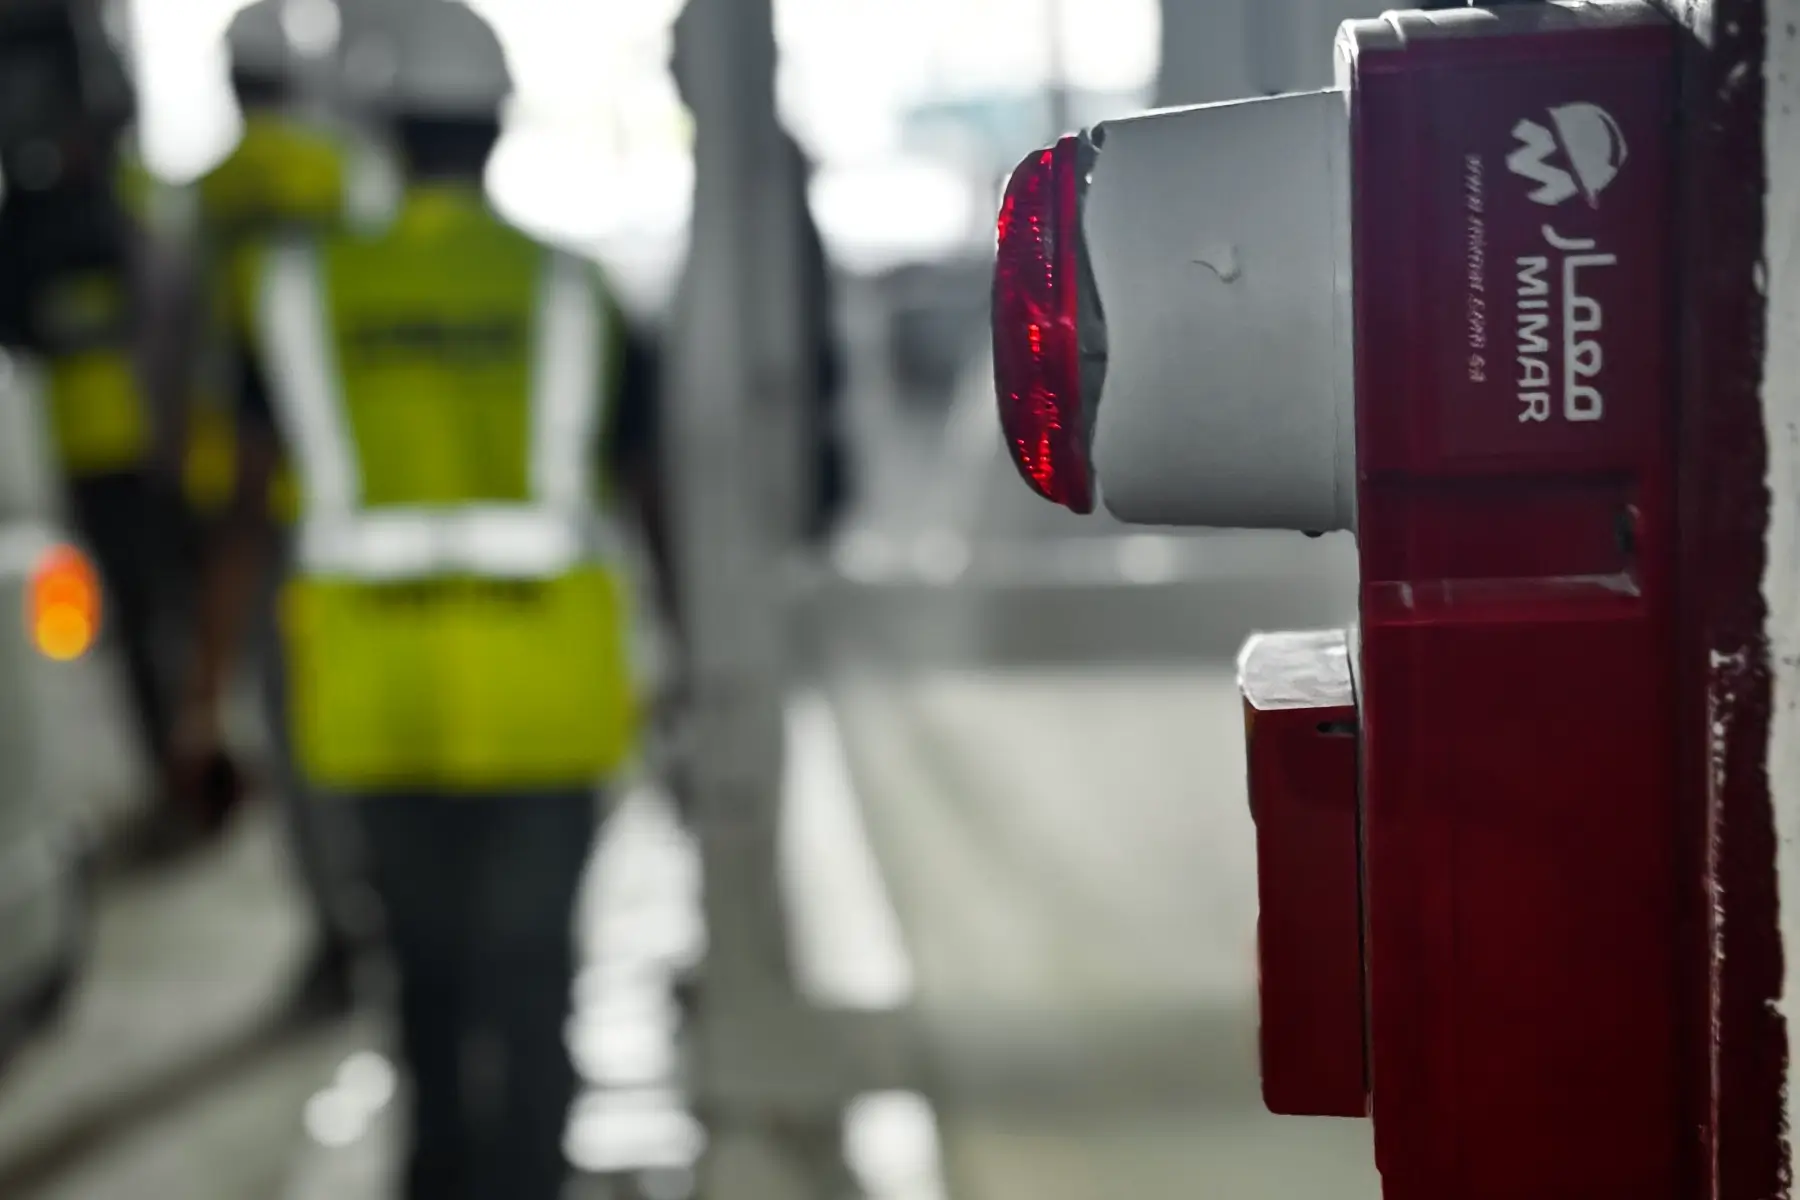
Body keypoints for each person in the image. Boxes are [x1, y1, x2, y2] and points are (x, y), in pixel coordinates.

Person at [173, 2, 657, 1195]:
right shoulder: (572, 292)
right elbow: (647, 493)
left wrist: (204, 697)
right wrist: (690, 668)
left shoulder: (298, 291)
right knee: (536, 987)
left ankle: (441, 1174)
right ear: (496, 126)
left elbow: (243, 513)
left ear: (382, 128)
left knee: (425, 987)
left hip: (375, 701)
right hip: (548, 701)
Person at [0, 3, 185, 836]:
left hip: (126, 444)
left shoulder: (113, 215)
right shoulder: (33, 224)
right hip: (57, 454)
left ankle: (174, 769)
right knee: (94, 626)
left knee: (144, 618)